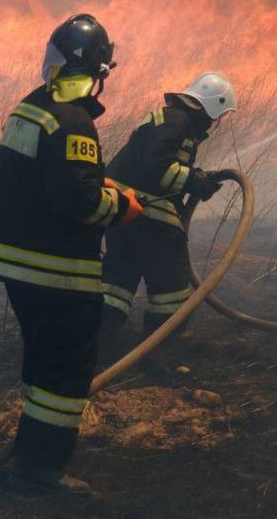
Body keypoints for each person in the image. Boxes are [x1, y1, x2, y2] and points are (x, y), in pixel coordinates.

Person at [0, 13, 143, 495]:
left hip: (19, 268)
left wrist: (96, 181)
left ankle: (32, 446)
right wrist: (121, 204)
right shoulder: (73, 121)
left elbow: (44, 182)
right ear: (99, 72)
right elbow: (78, 202)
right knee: (67, 372)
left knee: (42, 362)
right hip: (58, 273)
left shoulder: (29, 109)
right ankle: (41, 468)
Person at [99, 72, 237, 354]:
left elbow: (160, 166)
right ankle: (163, 347)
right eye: (218, 114)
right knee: (171, 284)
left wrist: (196, 179)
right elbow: (161, 170)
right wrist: (197, 182)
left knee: (117, 282)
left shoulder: (168, 119)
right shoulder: (178, 123)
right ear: (210, 105)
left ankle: (101, 339)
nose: (215, 122)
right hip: (149, 216)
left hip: (125, 214)